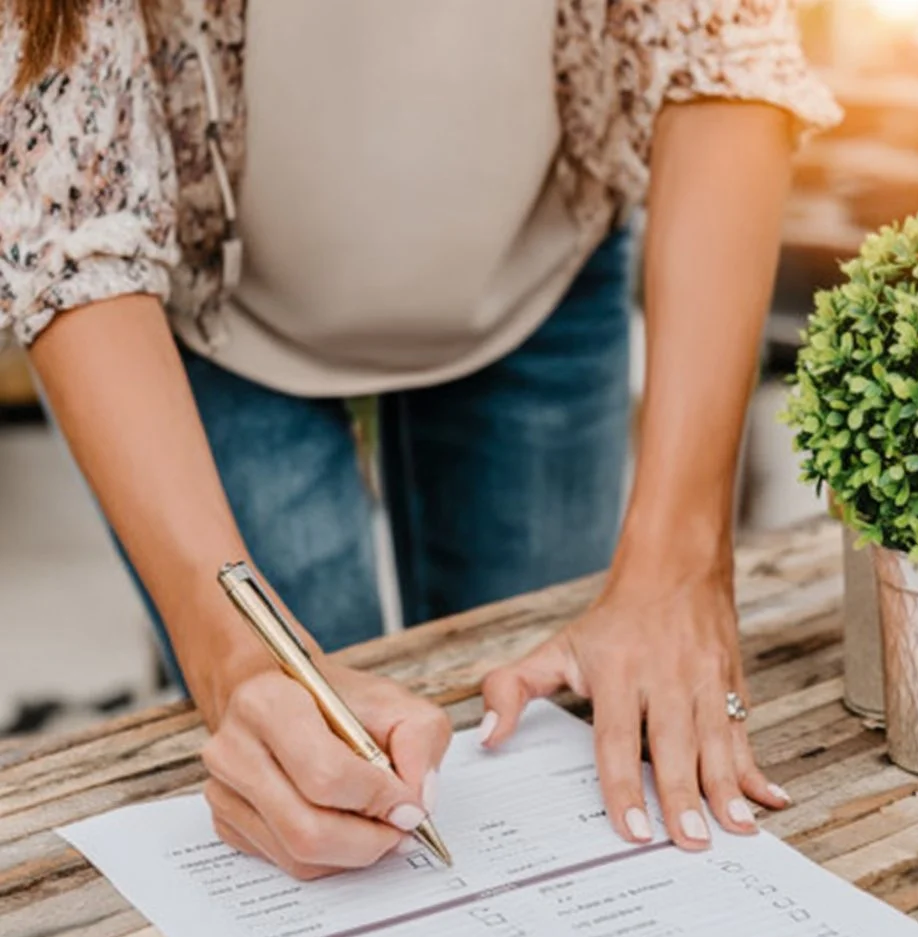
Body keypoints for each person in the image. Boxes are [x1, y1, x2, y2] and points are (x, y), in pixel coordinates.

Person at [0, 1, 838, 877]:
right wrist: (236, 665)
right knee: (307, 762)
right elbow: (67, 214)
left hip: (541, 259)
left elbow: (722, 47)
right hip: (206, 315)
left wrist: (681, 563)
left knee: (560, 729)